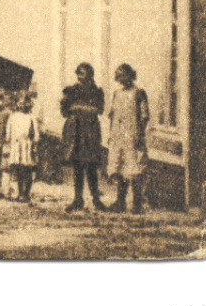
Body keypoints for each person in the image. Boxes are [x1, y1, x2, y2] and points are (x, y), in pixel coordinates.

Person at [60, 62, 107, 211]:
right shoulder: (71, 91)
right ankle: (77, 199)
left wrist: (78, 107)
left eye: (83, 73)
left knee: (92, 166)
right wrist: (69, 105)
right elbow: (65, 111)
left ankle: (96, 199)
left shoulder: (97, 92)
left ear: (90, 75)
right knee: (78, 166)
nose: (80, 77)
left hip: (91, 131)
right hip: (76, 131)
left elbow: (99, 110)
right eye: (78, 73)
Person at [106, 63, 151, 213]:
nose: (120, 79)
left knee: (134, 170)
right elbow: (112, 115)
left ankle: (137, 204)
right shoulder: (117, 94)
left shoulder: (139, 93)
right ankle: (120, 201)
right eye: (118, 76)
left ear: (131, 75)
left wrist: (140, 134)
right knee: (120, 169)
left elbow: (144, 116)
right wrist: (111, 135)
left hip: (133, 136)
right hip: (119, 137)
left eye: (123, 75)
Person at [6, 89, 39, 203]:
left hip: (27, 145)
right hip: (16, 145)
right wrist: (8, 141)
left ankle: (26, 193)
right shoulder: (13, 116)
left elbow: (35, 132)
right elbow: (8, 131)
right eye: (20, 102)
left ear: (29, 103)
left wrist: (35, 142)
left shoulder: (31, 117)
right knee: (18, 169)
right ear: (16, 103)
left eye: (25, 102)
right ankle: (19, 193)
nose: (22, 104)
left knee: (27, 170)